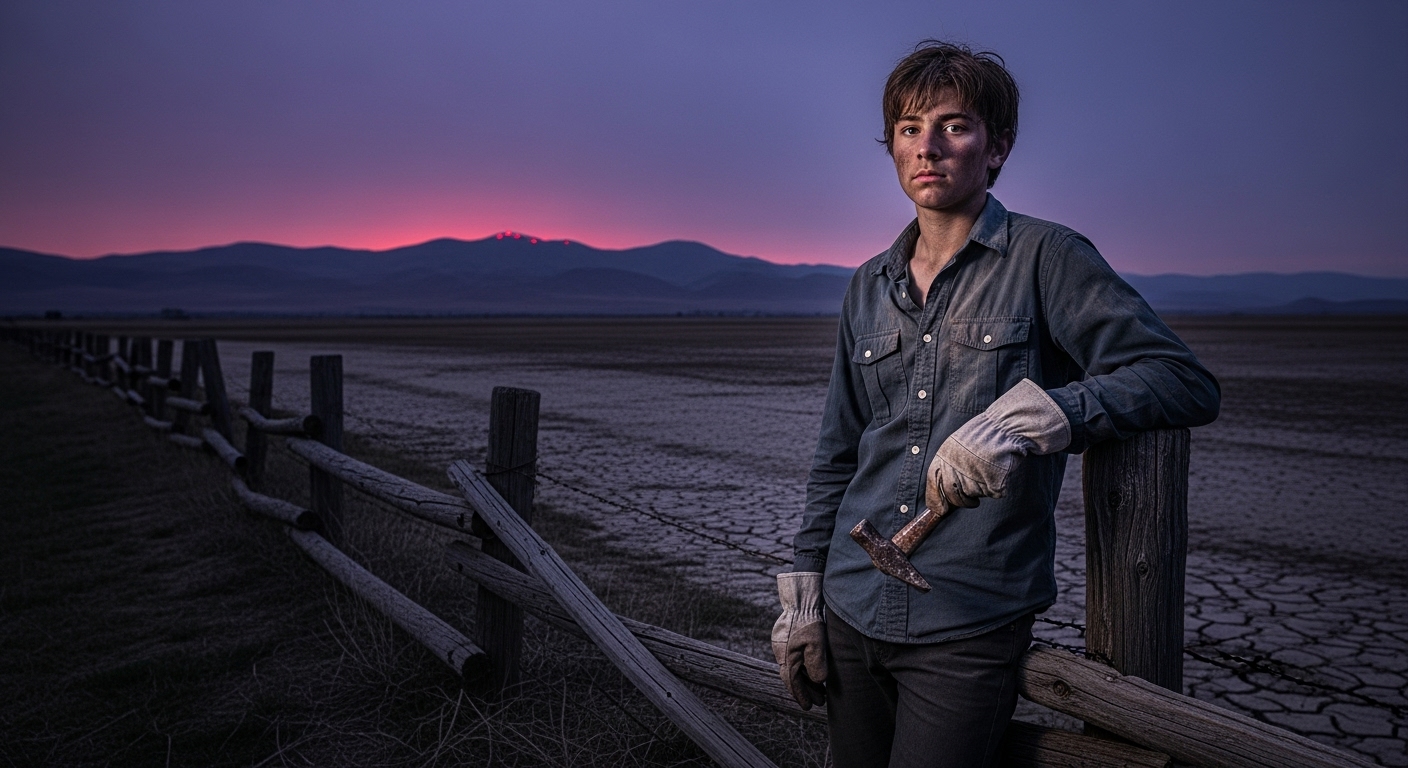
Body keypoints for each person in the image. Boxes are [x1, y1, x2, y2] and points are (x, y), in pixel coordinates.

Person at [771, 41, 1220, 768]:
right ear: (890, 144)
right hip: (852, 613)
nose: (929, 147)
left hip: (966, 625)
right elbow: (839, 452)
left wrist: (1042, 417)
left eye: (955, 125)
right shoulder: (867, 285)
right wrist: (804, 597)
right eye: (910, 127)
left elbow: (1180, 378)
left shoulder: (1048, 258)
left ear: (998, 146)